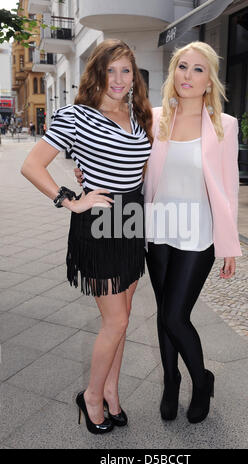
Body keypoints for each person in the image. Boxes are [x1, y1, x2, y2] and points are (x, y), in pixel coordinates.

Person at [75, 41, 242, 425]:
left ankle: (201, 382)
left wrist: (229, 244)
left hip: (198, 231)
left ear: (209, 79)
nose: (188, 75)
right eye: (182, 67)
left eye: (198, 69)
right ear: (173, 73)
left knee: (174, 315)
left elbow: (229, 187)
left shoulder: (224, 124)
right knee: (165, 313)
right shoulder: (153, 118)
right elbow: (118, 156)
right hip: (156, 229)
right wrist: (85, 176)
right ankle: (171, 381)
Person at [21, 39, 153, 435]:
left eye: (125, 70)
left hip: (131, 222)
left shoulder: (139, 114)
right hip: (98, 225)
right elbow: (31, 165)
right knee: (114, 322)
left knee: (124, 320)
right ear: (97, 73)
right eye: (110, 70)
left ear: (134, 76)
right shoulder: (75, 116)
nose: (118, 79)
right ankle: (91, 396)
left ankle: (111, 392)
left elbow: (140, 169)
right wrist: (70, 199)